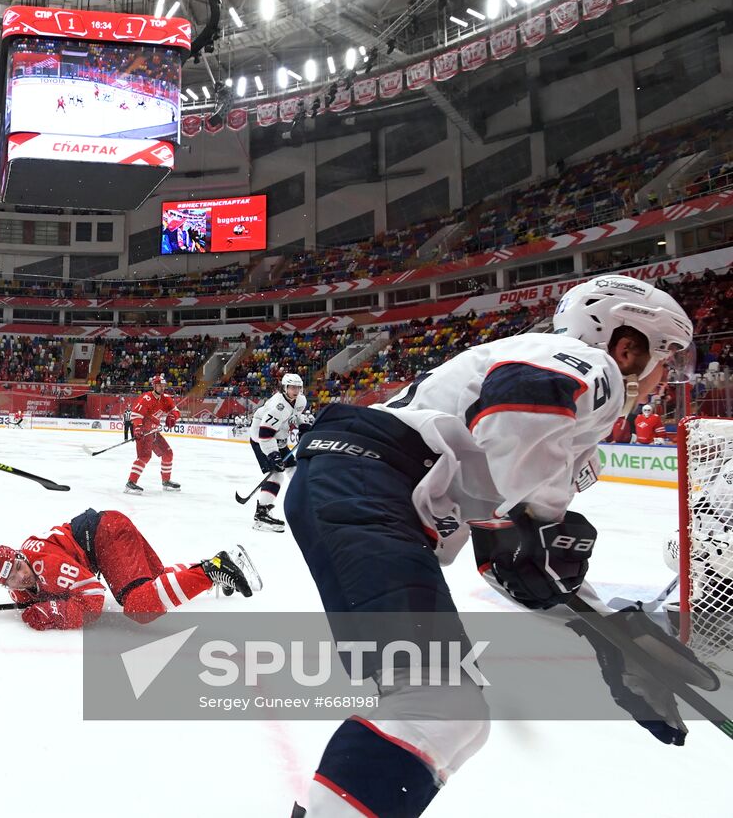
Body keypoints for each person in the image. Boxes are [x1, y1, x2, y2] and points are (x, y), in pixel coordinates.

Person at [282, 274, 711, 817]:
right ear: (628, 347)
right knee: (437, 705)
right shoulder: (586, 364)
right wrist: (530, 519)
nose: (661, 381)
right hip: (368, 486)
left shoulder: (562, 423)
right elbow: (522, 408)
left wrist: (608, 631)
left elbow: (511, 561)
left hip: (357, 487)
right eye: (663, 361)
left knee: (450, 712)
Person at [0, 509, 261, 630]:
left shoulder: (45, 564)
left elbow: (92, 599)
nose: (22, 576)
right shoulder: (24, 575)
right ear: (4, 585)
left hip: (107, 535)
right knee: (157, 581)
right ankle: (215, 565)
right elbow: (31, 592)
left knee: (139, 606)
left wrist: (53, 612)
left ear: (21, 555)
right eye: (11, 578)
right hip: (107, 527)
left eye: (19, 566)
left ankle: (214, 569)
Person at [247, 372, 313, 532]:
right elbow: (265, 435)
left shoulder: (301, 400)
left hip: (279, 438)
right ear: (285, 388)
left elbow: (295, 415)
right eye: (292, 387)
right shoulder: (277, 406)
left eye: (298, 387)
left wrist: (302, 425)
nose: (295, 390)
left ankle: (307, 503)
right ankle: (261, 515)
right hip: (261, 440)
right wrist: (273, 455)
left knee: (294, 470)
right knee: (277, 475)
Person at [125, 373, 180, 494]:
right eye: (159, 385)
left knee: (168, 453)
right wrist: (138, 428)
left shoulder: (166, 399)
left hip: (154, 432)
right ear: (154, 386)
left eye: (163, 385)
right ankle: (131, 483)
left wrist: (173, 416)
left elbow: (176, 411)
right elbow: (136, 414)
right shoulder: (146, 398)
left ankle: (166, 481)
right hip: (144, 432)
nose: (162, 387)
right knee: (144, 457)